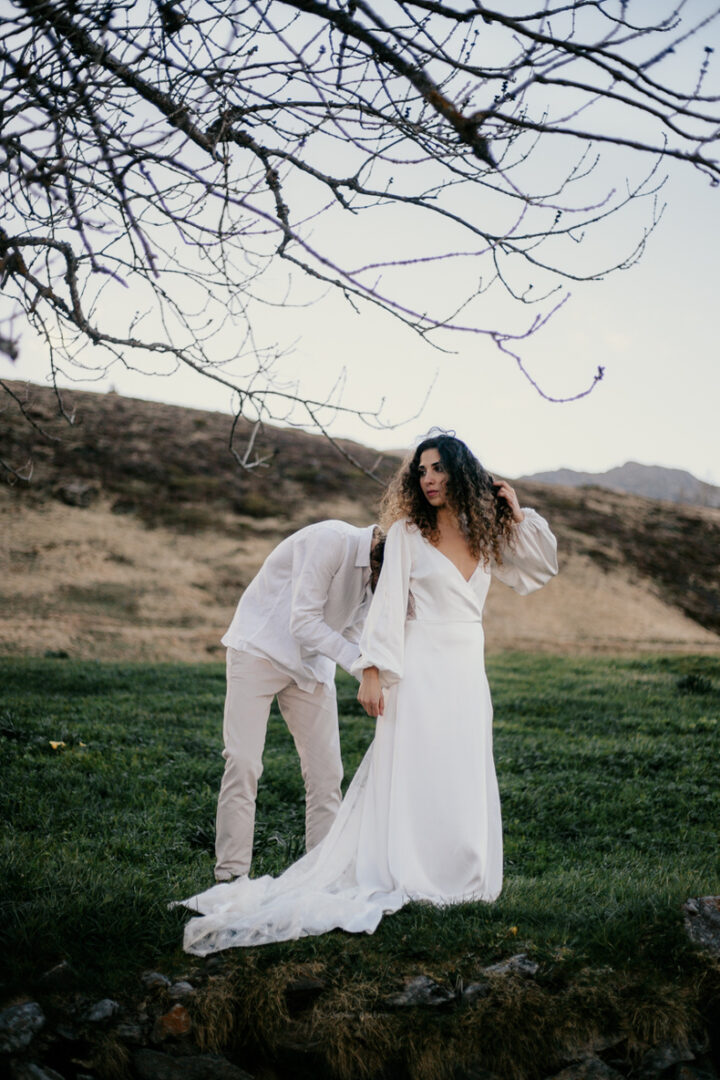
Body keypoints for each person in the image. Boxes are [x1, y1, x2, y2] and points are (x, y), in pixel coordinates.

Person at [179, 434, 557, 952]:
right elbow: (370, 615)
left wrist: (515, 509)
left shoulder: (486, 532)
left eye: (440, 467)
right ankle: (235, 875)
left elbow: (540, 567)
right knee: (250, 762)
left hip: (466, 668)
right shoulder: (396, 535)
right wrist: (372, 668)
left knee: (453, 765)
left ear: (464, 474)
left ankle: (457, 869)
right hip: (275, 652)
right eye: (422, 469)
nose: (429, 477)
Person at [213, 519, 384, 883]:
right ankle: (231, 877)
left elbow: (352, 627)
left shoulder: (378, 572)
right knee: (243, 763)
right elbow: (303, 621)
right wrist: (361, 665)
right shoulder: (330, 541)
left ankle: (320, 878)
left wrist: (371, 673)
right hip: (259, 650)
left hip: (311, 667)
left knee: (327, 775)